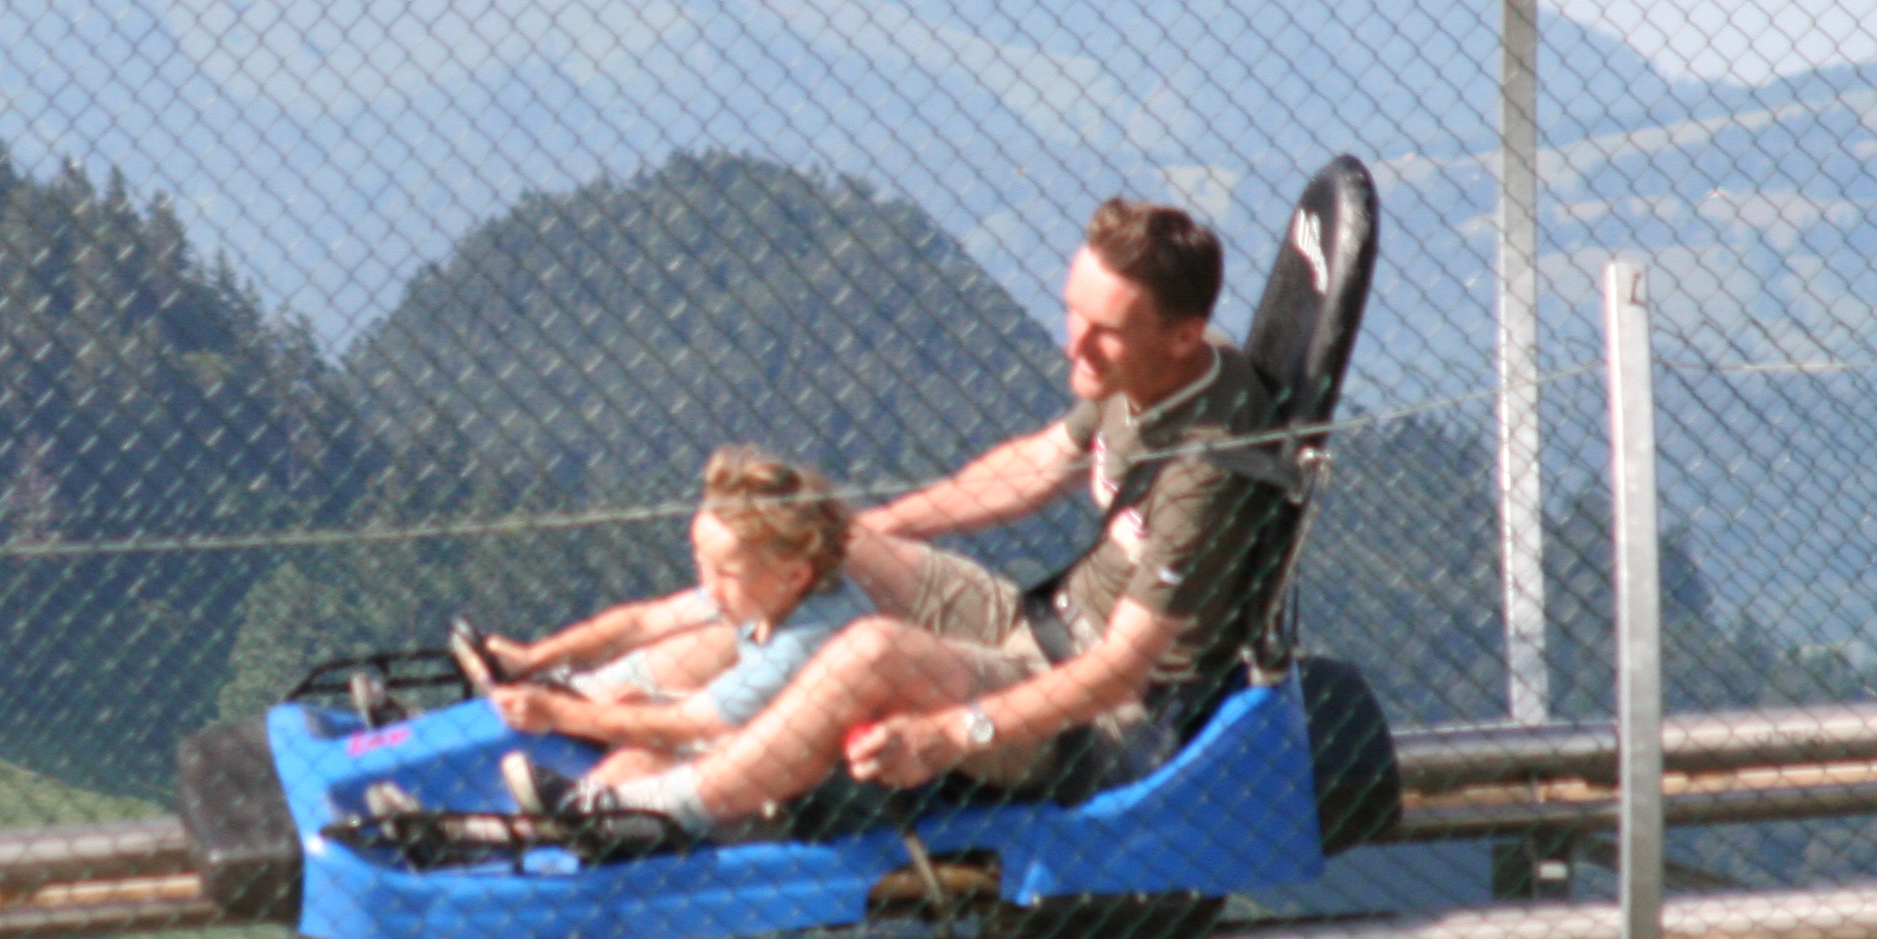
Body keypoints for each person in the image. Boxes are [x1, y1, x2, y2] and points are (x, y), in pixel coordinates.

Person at [513, 196, 1296, 837]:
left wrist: (952, 736)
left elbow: (1117, 672)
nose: (1075, 346)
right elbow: (1035, 464)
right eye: (1072, 316)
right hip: (1033, 626)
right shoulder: (1157, 365)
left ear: (1183, 334)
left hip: (1094, 721)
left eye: (1104, 333)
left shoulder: (1206, 472)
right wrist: (874, 533)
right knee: (819, 547)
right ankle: (588, 697)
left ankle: (645, 811)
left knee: (873, 653)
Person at [466, 448, 875, 807]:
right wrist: (534, 657)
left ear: (795, 575)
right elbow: (644, 622)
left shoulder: (805, 642)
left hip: (811, 798)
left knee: (648, 751)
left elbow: (687, 727)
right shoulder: (765, 589)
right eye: (701, 562)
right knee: (698, 649)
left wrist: (561, 714)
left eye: (724, 573)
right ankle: (577, 701)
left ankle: (567, 817)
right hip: (769, 745)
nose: (708, 586)